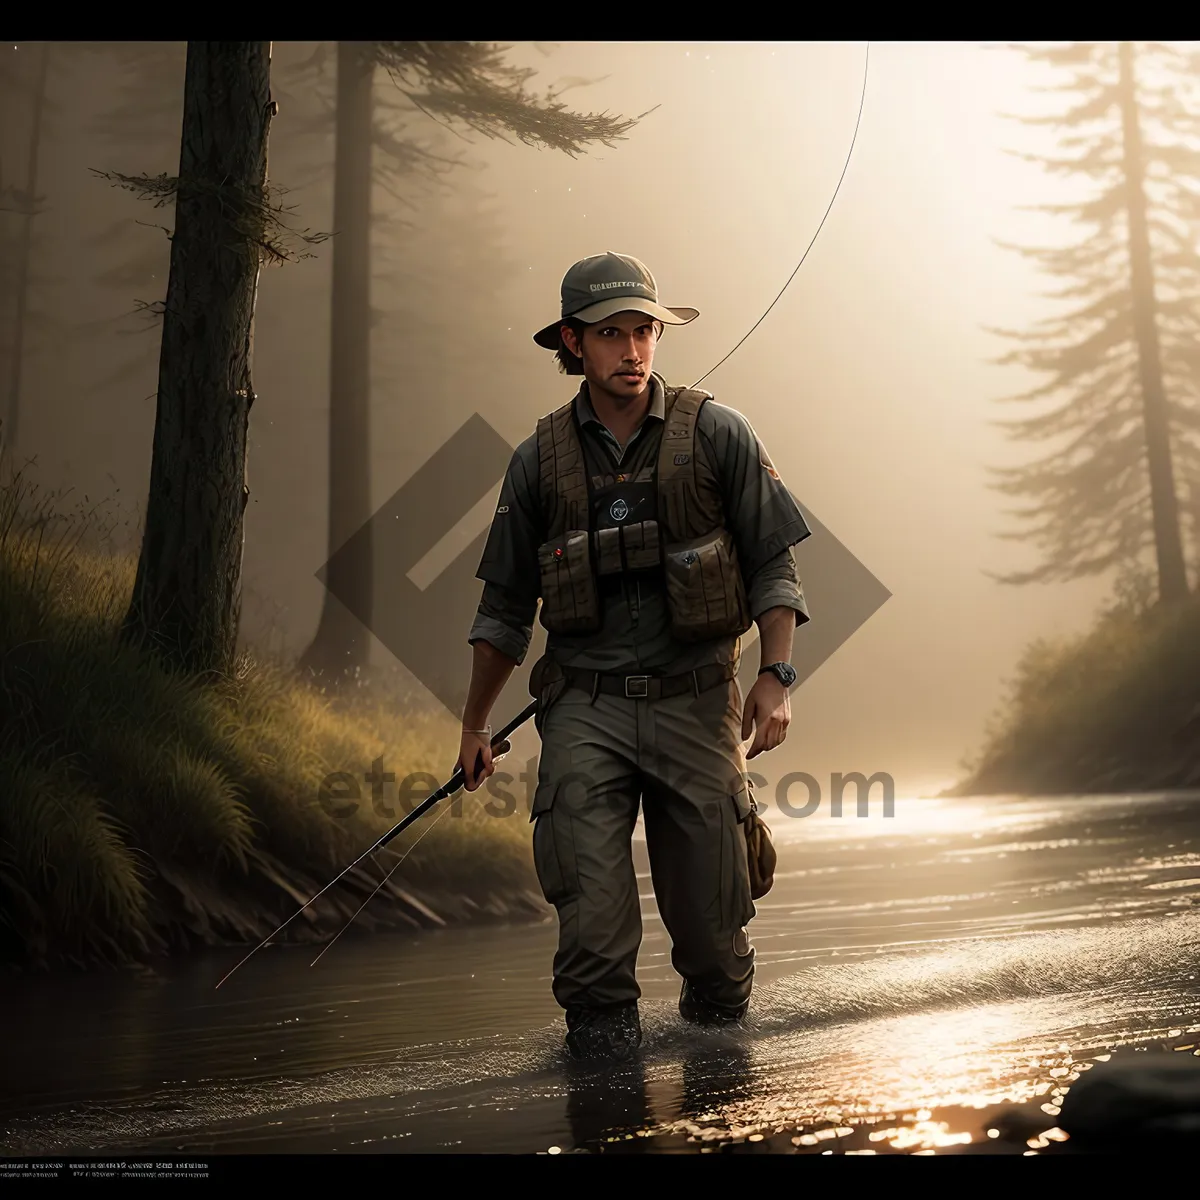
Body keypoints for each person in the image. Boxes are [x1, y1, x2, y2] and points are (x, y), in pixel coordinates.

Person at [457, 251, 811, 1061]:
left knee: (718, 947)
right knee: (591, 943)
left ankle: (723, 1086)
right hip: (584, 709)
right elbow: (504, 608)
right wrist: (475, 724)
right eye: (611, 333)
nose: (632, 350)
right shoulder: (536, 462)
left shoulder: (719, 433)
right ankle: (604, 1088)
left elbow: (775, 565)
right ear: (573, 343)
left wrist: (775, 674)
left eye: (644, 331)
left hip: (698, 702)